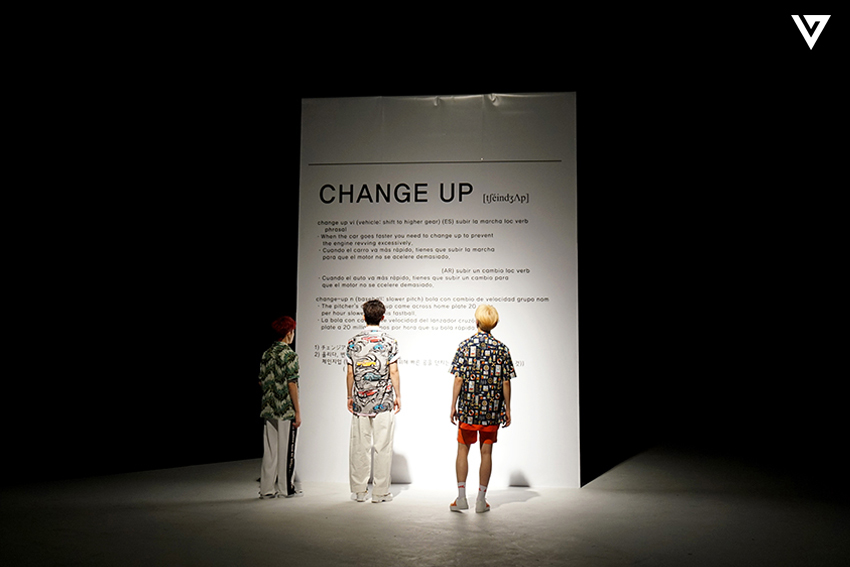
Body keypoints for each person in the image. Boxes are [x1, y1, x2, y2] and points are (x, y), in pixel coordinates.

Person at [449, 304, 516, 513]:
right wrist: (507, 408)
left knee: (462, 450)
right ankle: (480, 500)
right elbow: (506, 382)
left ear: (476, 321)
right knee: (486, 452)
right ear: (494, 323)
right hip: (491, 410)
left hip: (468, 408)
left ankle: (461, 498)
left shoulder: (464, 345)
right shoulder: (502, 349)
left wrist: (453, 405)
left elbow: (458, 379)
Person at [346, 299, 401, 503]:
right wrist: (398, 395)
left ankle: (359, 491)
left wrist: (349, 396)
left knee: (359, 446)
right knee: (382, 446)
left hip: (360, 401)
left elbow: (350, 373)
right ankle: (380, 492)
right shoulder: (390, 341)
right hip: (383, 401)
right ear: (382, 317)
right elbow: (393, 371)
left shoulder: (353, 342)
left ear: (364, 317)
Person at [258, 315, 302, 499]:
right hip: (285, 409)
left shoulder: (266, 354)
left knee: (270, 450)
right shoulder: (290, 355)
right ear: (288, 332)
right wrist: (297, 411)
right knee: (286, 450)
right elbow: (292, 384)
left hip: (268, 407)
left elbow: (261, 381)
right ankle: (285, 489)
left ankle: (266, 489)